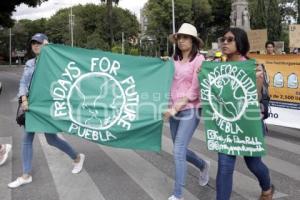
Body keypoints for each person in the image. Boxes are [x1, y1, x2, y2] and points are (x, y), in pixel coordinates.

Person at [8, 33, 85, 189]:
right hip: (32, 106)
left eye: (39, 43)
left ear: (46, 44)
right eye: (33, 43)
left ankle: (77, 158)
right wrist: (23, 98)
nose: (35, 45)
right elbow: (23, 82)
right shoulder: (30, 63)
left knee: (51, 139)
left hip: (47, 106)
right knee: (27, 138)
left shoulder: (55, 62)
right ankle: (26, 175)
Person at [217, 27, 274, 200]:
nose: (224, 43)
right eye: (223, 39)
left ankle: (267, 188)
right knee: (224, 166)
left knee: (254, 163)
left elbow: (255, 99)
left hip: (249, 123)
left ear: (240, 42)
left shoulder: (253, 66)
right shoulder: (217, 66)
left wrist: (258, 81)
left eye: (230, 39)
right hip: (227, 124)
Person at [164, 23, 210, 200]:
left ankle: (178, 194)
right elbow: (168, 82)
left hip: (190, 109)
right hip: (174, 109)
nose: (181, 41)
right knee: (179, 149)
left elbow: (195, 90)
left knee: (177, 150)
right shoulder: (173, 59)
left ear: (193, 40)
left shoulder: (200, 60)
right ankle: (202, 164)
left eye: (185, 37)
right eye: (179, 38)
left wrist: (176, 107)